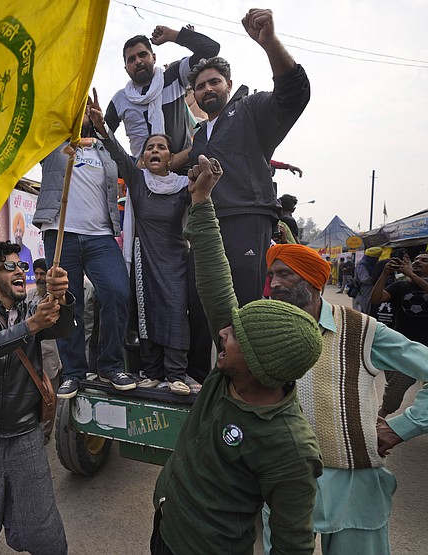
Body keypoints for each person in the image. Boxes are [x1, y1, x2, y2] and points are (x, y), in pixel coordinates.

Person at [151, 156, 324, 555]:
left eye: (234, 335)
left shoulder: (291, 448)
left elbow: (293, 543)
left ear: (259, 364)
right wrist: (201, 200)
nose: (222, 333)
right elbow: (215, 278)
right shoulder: (233, 371)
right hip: (166, 528)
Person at [262, 244, 428, 554]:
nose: (275, 283)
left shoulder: (361, 330)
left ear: (314, 280)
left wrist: (400, 427)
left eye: (285, 274)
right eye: (271, 275)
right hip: (285, 480)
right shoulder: (265, 327)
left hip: (355, 482)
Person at [0, 241, 74, 554]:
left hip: (26, 436)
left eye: (21, 266)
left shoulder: (34, 309)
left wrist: (61, 297)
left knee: (46, 532)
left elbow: (62, 327)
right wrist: (30, 326)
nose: (20, 270)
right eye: (11, 266)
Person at [188, 8, 311, 306]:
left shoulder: (249, 109)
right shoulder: (200, 135)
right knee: (201, 307)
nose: (208, 89)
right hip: (206, 225)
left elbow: (293, 94)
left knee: (243, 308)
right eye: (200, 86)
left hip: (246, 219)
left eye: (214, 81)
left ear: (229, 85)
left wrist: (269, 43)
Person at [91, 91, 194, 395]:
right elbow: (117, 152)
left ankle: (176, 373)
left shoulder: (183, 186)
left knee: (175, 312)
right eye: (150, 147)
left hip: (175, 261)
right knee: (146, 313)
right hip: (143, 260)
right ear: (144, 157)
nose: (155, 151)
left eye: (161, 147)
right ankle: (151, 372)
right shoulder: (138, 182)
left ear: (170, 157)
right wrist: (102, 126)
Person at [34, 109, 133, 399]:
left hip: (101, 235)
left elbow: (126, 165)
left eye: (86, 107)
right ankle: (74, 372)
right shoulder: (51, 144)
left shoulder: (104, 148)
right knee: (66, 302)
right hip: (60, 232)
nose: (82, 111)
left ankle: (111, 366)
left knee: (117, 292)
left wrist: (104, 127)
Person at [106, 26, 220, 155]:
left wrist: (172, 35)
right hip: (141, 173)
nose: (138, 61)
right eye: (131, 59)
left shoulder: (174, 77)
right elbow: (102, 136)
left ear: (154, 57)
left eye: (142, 55)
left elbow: (211, 49)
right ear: (126, 68)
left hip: (183, 169)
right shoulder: (120, 99)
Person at [371, 252, 428, 417]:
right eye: (416, 259)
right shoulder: (400, 286)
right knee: (394, 394)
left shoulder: (410, 278)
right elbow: (376, 299)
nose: (418, 262)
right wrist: (385, 273)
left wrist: (410, 274)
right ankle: (380, 416)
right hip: (405, 349)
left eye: (424, 260)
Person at [27, 258, 63, 442]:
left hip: (50, 357)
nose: (40, 277)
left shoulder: (56, 298)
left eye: (43, 274)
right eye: (37, 274)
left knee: (49, 397)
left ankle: (44, 435)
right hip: (31, 356)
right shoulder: (29, 296)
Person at [353, 246, 382, 314]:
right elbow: (364, 279)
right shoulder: (362, 265)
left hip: (370, 289)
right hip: (364, 290)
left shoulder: (371, 264)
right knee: (363, 309)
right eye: (375, 258)